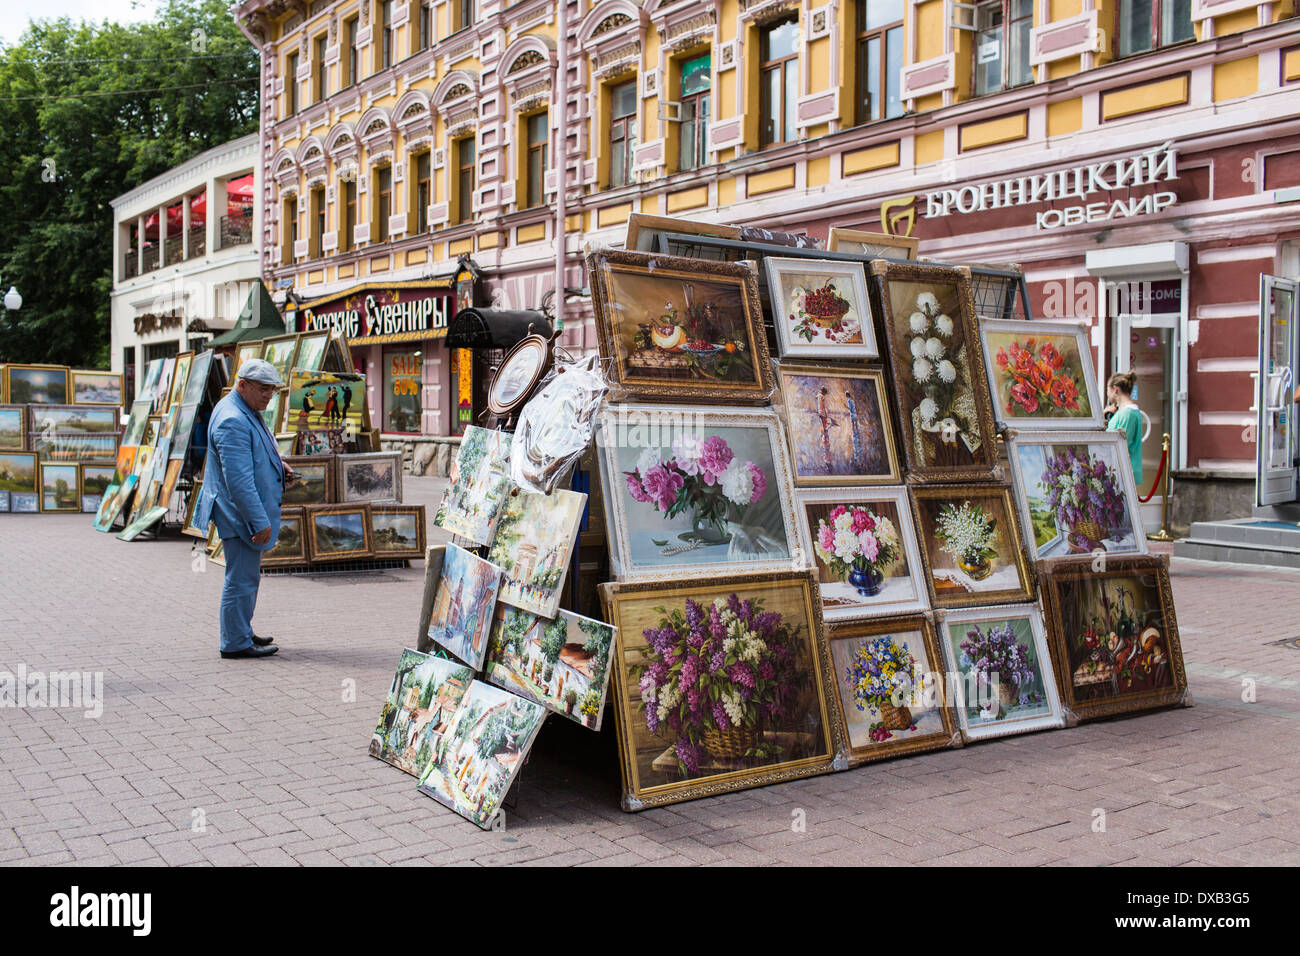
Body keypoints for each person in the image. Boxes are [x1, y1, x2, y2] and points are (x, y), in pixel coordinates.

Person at [192, 359, 298, 660]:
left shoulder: (241, 408)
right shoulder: (233, 419)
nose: (268, 396)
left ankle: (241, 630)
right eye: (264, 389)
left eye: (273, 390)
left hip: (238, 513)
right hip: (238, 514)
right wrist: (258, 522)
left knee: (245, 576)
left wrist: (279, 465)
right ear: (243, 385)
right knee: (241, 578)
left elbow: (257, 450)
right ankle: (236, 642)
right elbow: (238, 482)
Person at [1105, 371, 1143, 488]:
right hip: (1121, 470)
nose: (1107, 393)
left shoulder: (1127, 414)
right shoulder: (1125, 413)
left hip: (1123, 471)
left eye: (1108, 389)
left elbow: (1120, 444)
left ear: (1115, 390)